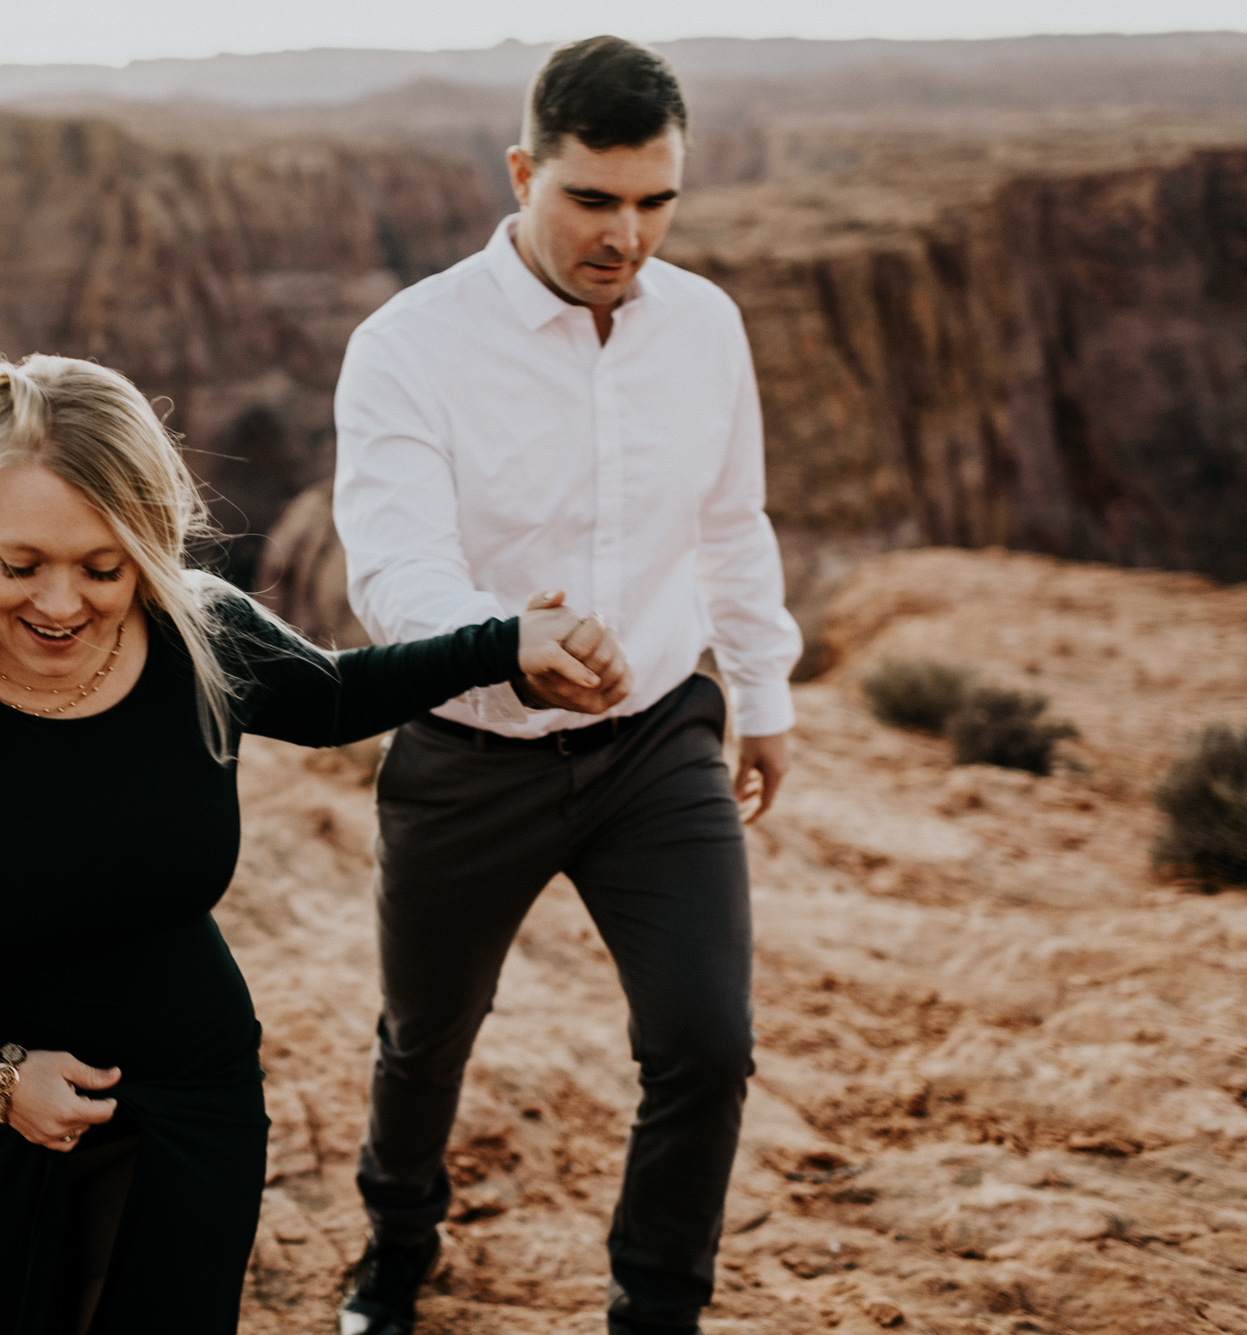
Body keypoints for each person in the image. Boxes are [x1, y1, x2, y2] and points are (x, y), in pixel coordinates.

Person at [0, 353, 620, 1334]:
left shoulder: (198, 633)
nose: (60, 605)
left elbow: (338, 698)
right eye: (21, 566)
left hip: (192, 1090)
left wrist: (504, 646)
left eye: (104, 567)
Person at [330, 36, 804, 1335]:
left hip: (657, 743)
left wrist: (763, 692)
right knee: (425, 1040)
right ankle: (395, 1252)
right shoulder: (408, 346)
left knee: (706, 1042)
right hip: (467, 754)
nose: (628, 236)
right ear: (524, 169)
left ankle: (657, 1307)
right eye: (594, 199)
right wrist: (507, 640)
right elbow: (395, 567)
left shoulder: (706, 326)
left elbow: (730, 518)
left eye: (657, 202)